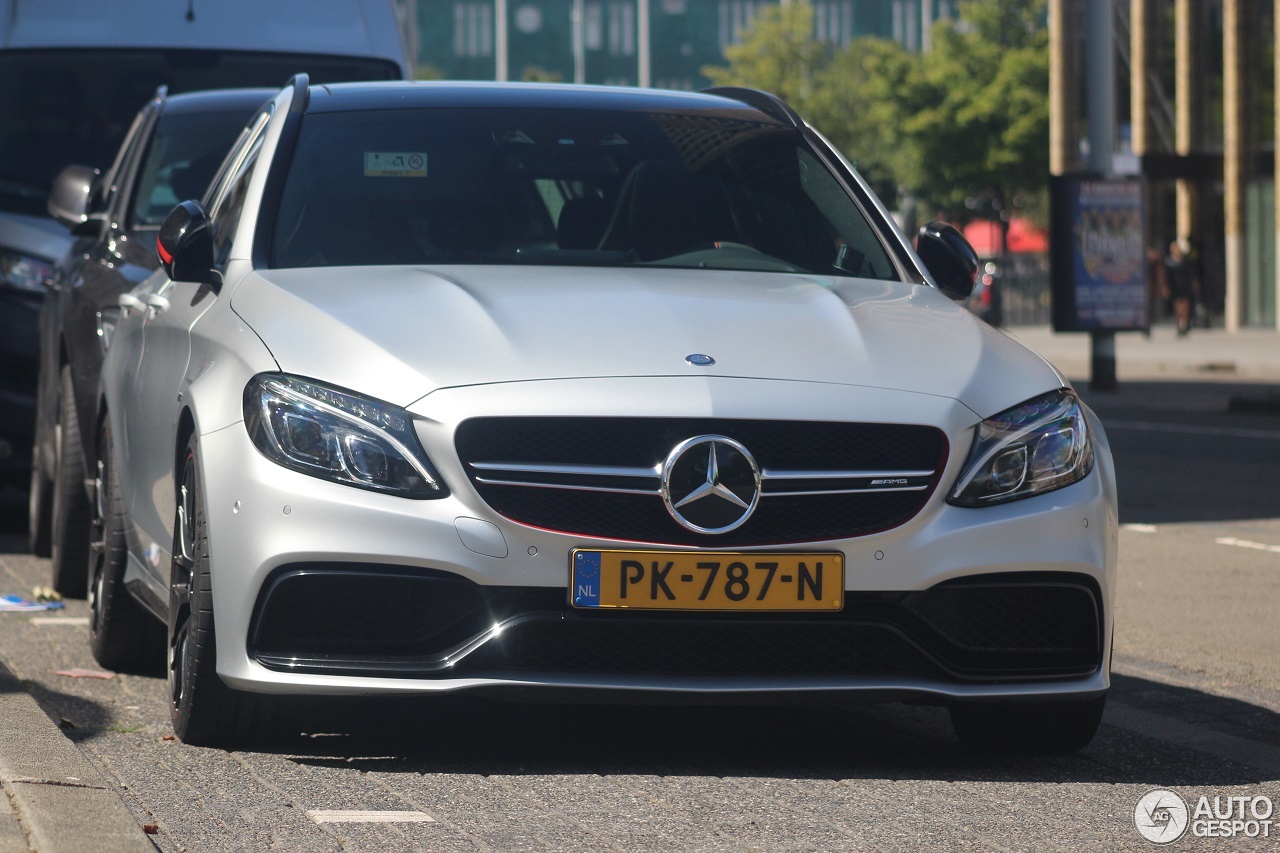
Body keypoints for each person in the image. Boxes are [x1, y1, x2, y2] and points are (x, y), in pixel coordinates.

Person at [1163, 238, 1199, 336]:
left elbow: (1191, 274)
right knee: (1177, 306)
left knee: (1185, 306)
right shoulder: (1169, 262)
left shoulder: (1185, 261)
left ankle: (1185, 324)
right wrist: (1166, 287)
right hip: (1175, 286)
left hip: (1185, 285)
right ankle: (1179, 324)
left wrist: (1193, 283)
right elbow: (1166, 276)